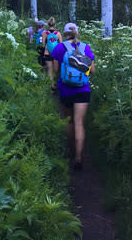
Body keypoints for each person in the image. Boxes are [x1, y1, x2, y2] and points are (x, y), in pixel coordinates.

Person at [51, 22, 95, 170]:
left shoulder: (60, 47)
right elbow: (92, 70)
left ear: (64, 33)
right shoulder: (85, 47)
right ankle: (79, 157)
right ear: (77, 32)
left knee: (70, 122)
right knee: (79, 123)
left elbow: (56, 69)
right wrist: (82, 75)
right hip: (83, 90)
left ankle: (71, 154)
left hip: (66, 90)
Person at [42, 17, 62, 91]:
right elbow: (61, 44)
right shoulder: (58, 34)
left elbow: (43, 44)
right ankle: (55, 83)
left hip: (47, 53)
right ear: (55, 24)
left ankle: (51, 85)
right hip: (55, 54)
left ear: (48, 24)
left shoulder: (45, 33)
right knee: (55, 70)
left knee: (49, 70)